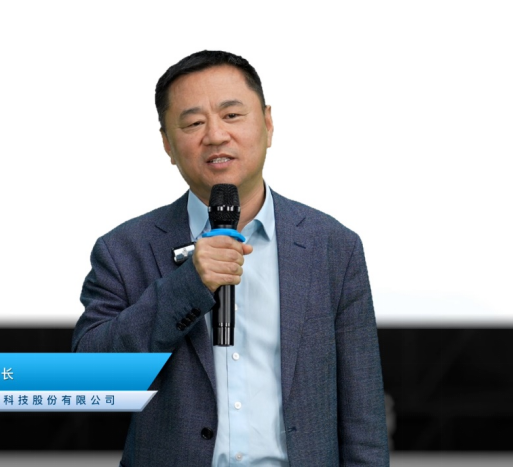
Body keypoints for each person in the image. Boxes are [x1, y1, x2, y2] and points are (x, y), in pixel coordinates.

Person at [72, 50, 389, 466]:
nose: (216, 135)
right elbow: (91, 382)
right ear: (167, 144)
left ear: (268, 124)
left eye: (232, 115)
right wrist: (188, 286)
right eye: (193, 123)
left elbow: (364, 416)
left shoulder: (332, 247)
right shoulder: (124, 249)